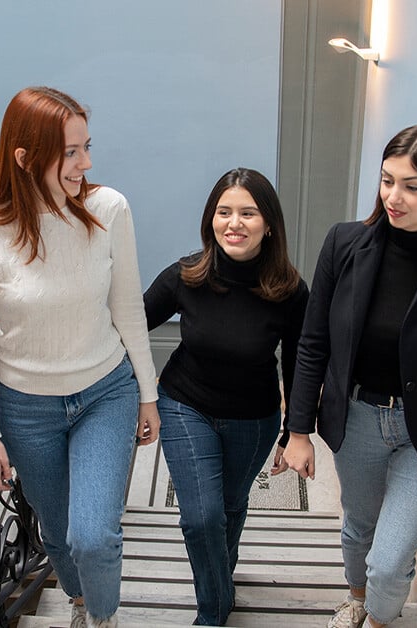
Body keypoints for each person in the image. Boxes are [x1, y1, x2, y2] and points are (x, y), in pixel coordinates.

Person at [0, 86, 160, 628]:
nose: (86, 163)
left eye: (87, 147)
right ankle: (78, 601)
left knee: (94, 535)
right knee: (56, 531)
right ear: (24, 157)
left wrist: (147, 393)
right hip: (25, 409)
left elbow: (128, 309)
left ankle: (103, 618)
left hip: (105, 392)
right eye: (70, 151)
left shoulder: (108, 209)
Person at [281, 124, 417, 628]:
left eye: (412, 186)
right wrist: (296, 430)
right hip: (356, 419)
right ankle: (355, 600)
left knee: (389, 558)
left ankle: (379, 619)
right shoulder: (344, 242)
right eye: (386, 181)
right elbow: (313, 342)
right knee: (358, 528)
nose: (393, 197)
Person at [143, 168, 308, 625]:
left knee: (231, 506)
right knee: (201, 518)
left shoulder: (290, 291)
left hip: (253, 420)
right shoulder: (185, 275)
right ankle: (213, 611)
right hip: (184, 405)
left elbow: (300, 364)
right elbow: (128, 325)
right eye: (224, 212)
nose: (234, 223)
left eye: (248, 213)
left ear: (269, 224)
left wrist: (296, 432)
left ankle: (220, 577)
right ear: (210, 219)